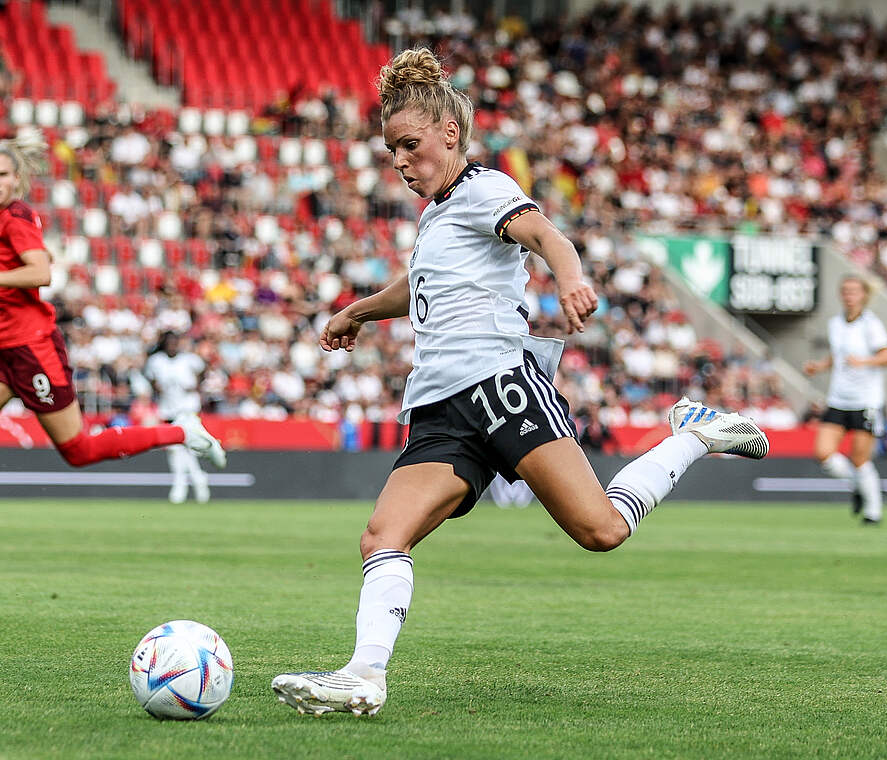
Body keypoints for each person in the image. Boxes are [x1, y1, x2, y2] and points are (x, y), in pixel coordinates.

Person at [269, 48, 769, 718]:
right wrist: (359, 310)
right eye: (391, 151)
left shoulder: (483, 189)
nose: (400, 161)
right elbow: (417, 286)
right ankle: (364, 675)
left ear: (449, 134)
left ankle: (695, 435)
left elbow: (545, 234)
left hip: (500, 387)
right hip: (440, 409)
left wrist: (571, 279)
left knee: (602, 531)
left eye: (409, 144)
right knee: (382, 534)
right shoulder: (436, 215)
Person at [0, 133, 226, 566]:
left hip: (32, 348)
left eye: (3, 174)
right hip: (2, 352)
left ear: (18, 179)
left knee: (78, 450)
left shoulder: (17, 217)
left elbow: (40, 272)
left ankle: (182, 431)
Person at [802, 275, 887, 525]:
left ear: (863, 295)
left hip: (866, 401)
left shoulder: (870, 324)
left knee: (860, 459)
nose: (849, 295)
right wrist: (819, 366)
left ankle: (873, 513)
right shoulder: (835, 324)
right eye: (845, 290)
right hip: (838, 398)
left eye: (854, 290)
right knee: (823, 453)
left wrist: (864, 361)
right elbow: (837, 356)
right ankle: (861, 487)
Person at [146, 331, 210, 504]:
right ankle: (197, 478)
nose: (172, 346)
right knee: (176, 447)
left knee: (185, 444)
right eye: (169, 342)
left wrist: (197, 385)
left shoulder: (189, 359)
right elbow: (150, 378)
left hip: (188, 408)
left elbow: (204, 370)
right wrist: (156, 388)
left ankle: (180, 485)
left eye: (175, 342)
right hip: (168, 409)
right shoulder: (156, 361)